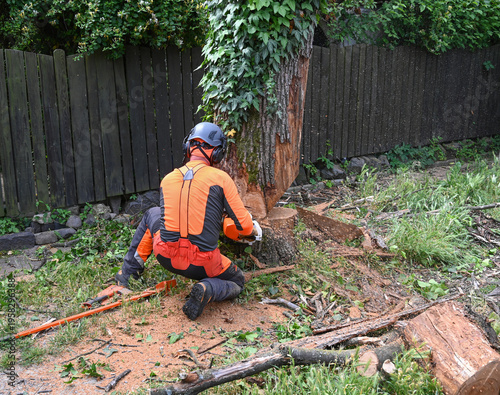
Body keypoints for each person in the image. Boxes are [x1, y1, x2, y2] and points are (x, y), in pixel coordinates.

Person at [115, 122, 260, 320]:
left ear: (188, 147)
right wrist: (249, 230)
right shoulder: (221, 178)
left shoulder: (167, 179)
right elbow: (244, 227)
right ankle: (207, 288)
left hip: (165, 257)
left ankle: (127, 276)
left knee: (152, 214)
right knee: (238, 281)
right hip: (202, 265)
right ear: (217, 153)